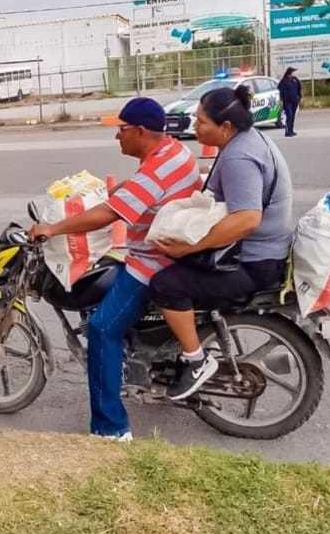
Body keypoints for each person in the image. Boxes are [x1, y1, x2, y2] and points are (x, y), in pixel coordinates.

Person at [29, 97, 201, 441]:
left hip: (152, 263)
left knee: (103, 329)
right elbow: (140, 194)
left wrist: (52, 229)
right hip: (170, 252)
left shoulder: (154, 170)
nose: (116, 137)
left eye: (121, 130)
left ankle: (111, 428)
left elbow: (109, 215)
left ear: (140, 131)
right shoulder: (172, 152)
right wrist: (122, 190)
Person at [148, 85, 293, 400]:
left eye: (201, 122)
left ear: (225, 127)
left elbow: (247, 219)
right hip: (260, 253)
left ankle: (195, 360)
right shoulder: (246, 142)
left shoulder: (239, 156)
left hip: (253, 263)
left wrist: (189, 247)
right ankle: (167, 352)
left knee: (164, 284)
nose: (195, 127)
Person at [278, 67, 302, 136]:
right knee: (289, 115)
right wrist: (281, 100)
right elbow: (280, 89)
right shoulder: (284, 80)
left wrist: (299, 97)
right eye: (292, 72)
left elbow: (299, 88)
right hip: (287, 102)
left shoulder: (295, 79)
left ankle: (291, 130)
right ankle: (287, 132)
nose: (293, 74)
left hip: (294, 101)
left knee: (293, 116)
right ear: (289, 73)